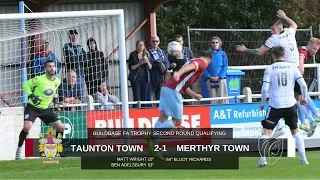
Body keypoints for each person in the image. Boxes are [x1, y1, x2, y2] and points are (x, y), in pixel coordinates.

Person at [236, 9, 309, 138]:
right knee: (297, 97)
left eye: (273, 29)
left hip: (286, 69)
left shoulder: (274, 39)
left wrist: (245, 49)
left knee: (279, 95)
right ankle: (304, 121)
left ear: (279, 28)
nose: (271, 31)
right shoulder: (289, 32)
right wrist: (285, 16)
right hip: (295, 69)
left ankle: (304, 121)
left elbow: (259, 51)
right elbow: (294, 25)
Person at [145, 50, 212, 160]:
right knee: (178, 121)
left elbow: (184, 83)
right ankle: (153, 134)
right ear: (209, 60)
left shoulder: (193, 59)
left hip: (166, 88)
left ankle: (154, 149)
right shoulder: (203, 63)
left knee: (163, 118)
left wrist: (194, 95)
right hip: (173, 91)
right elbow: (191, 66)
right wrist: (178, 73)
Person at [257, 46, 308, 167]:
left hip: (275, 105)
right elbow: (303, 85)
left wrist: (262, 103)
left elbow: (264, 89)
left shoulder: (269, 69)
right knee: (295, 131)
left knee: (266, 131)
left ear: (273, 56)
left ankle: (263, 160)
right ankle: (303, 159)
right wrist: (304, 98)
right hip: (290, 104)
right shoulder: (292, 67)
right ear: (284, 54)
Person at [15, 60, 64, 160]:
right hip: (32, 108)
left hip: (45, 109)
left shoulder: (57, 81)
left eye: (53, 66)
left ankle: (57, 149)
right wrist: (31, 95)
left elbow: (54, 91)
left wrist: (54, 100)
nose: (52, 68)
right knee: (26, 127)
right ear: (45, 69)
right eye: (49, 66)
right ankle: (18, 150)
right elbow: (26, 85)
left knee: (61, 128)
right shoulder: (39, 79)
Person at [295, 38, 320, 137]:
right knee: (301, 97)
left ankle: (304, 121)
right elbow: (301, 56)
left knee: (299, 98)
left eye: (317, 49)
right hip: (294, 75)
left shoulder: (304, 51)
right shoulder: (304, 50)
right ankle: (315, 114)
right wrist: (301, 68)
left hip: (293, 75)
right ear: (309, 44)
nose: (315, 51)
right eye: (314, 48)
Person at [201, 36, 228, 104]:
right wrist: (209, 76)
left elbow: (225, 66)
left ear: (220, 43)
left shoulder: (223, 54)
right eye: (213, 43)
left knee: (222, 97)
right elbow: (204, 66)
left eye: (216, 42)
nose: (215, 44)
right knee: (213, 98)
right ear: (211, 44)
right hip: (210, 79)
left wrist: (219, 76)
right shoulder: (207, 53)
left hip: (220, 79)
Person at [128, 40, 152, 108]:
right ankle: (136, 110)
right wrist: (140, 63)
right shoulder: (133, 54)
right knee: (137, 96)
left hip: (145, 78)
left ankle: (144, 110)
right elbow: (131, 67)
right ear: (136, 46)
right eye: (139, 45)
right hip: (136, 78)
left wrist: (147, 62)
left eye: (142, 45)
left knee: (144, 97)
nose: (141, 46)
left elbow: (150, 67)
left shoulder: (147, 54)